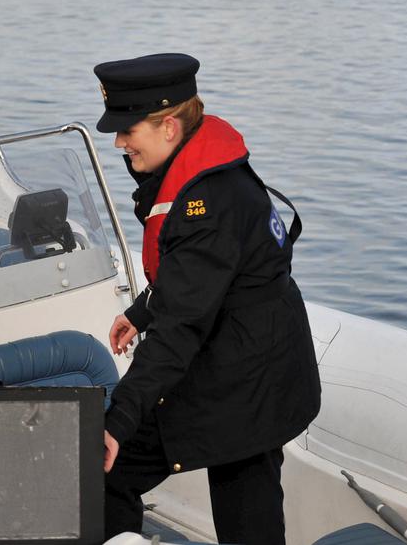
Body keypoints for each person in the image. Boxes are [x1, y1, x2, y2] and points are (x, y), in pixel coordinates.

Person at [95, 53, 321, 544]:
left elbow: (180, 327)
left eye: (128, 130)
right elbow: (200, 277)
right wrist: (141, 312)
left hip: (248, 383)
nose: (118, 142)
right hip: (234, 355)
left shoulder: (206, 206)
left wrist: (117, 418)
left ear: (169, 127)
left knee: (246, 520)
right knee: (111, 477)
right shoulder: (201, 176)